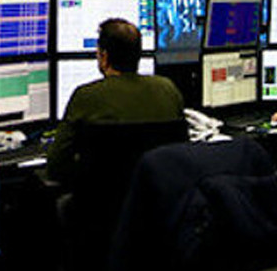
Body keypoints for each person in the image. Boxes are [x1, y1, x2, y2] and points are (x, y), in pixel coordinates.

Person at [46, 18, 185, 186]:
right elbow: (181, 155)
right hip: (156, 199)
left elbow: (56, 166)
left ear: (104, 57)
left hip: (101, 200)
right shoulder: (168, 89)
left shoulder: (86, 96)